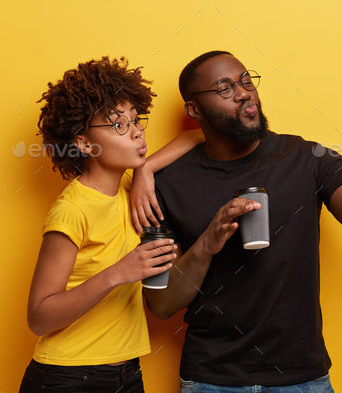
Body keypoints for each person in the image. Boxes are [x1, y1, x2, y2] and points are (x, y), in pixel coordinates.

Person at [134, 50, 342, 392]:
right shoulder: (166, 186)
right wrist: (207, 242)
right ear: (194, 109)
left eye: (247, 81)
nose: (244, 92)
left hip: (303, 380)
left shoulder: (309, 159)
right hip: (211, 381)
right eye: (225, 88)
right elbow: (161, 304)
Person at [18, 56, 203, 393]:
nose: (137, 131)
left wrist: (145, 169)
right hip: (68, 378)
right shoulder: (72, 208)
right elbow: (39, 316)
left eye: (136, 119)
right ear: (85, 143)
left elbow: (198, 136)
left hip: (126, 374)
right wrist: (120, 272)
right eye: (118, 125)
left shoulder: (132, 190)